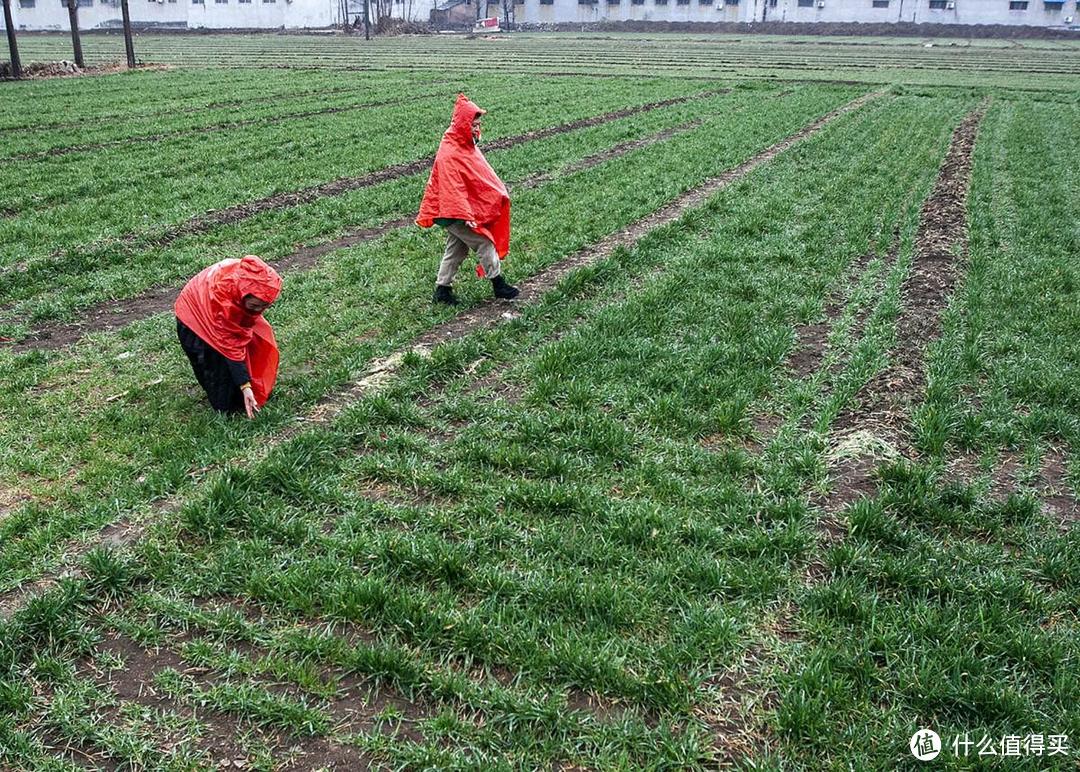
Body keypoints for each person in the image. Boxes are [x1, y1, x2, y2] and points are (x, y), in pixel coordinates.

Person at [417, 93, 519, 305]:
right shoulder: (451, 151)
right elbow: (452, 188)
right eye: (473, 124)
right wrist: (466, 215)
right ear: (463, 123)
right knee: (484, 242)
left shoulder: (463, 145)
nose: (476, 128)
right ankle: (498, 284)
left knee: (457, 249)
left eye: (478, 124)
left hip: (452, 211)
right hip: (451, 211)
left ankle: (442, 291)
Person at [174, 255, 282, 419]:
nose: (258, 311)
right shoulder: (224, 302)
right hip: (193, 321)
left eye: (264, 306)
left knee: (256, 344)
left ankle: (246, 391)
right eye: (254, 306)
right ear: (244, 295)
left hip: (215, 309)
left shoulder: (246, 285)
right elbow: (230, 345)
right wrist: (245, 386)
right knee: (218, 382)